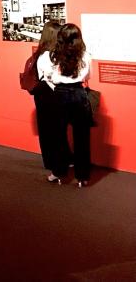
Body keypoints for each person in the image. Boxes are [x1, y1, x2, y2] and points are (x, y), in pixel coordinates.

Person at [37, 23, 92, 187]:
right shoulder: (85, 56)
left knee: (58, 137)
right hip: (79, 94)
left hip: (59, 94)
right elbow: (87, 76)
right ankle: (82, 176)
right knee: (82, 138)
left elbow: (44, 76)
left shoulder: (49, 56)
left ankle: (58, 173)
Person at [28, 20, 63, 171]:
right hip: (47, 93)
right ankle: (51, 161)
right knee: (49, 129)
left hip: (46, 93)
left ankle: (55, 161)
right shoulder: (46, 56)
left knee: (50, 128)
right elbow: (52, 77)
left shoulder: (44, 54)